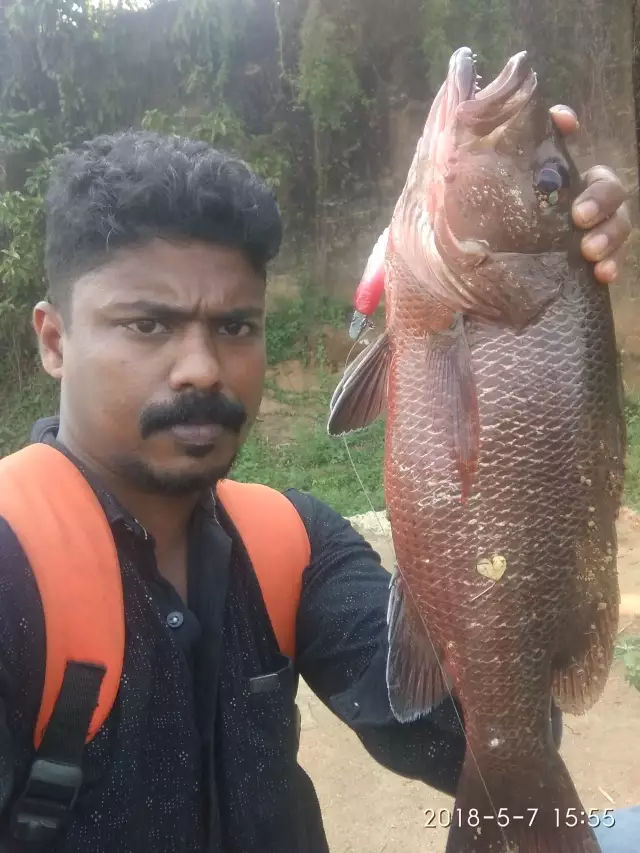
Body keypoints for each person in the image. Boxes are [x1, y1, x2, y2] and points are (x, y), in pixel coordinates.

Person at [0, 108, 634, 853]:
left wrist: (563, 256)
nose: (202, 366)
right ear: (54, 340)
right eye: (148, 325)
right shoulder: (13, 565)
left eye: (236, 326)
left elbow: (454, 735)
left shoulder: (291, 543)